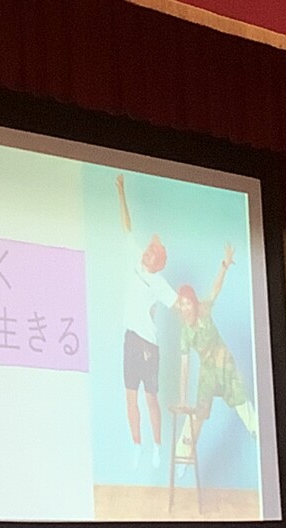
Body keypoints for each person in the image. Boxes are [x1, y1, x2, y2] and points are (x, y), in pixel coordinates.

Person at [175, 243, 257, 469]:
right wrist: (182, 398)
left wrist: (224, 265)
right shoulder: (185, 333)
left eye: (188, 303)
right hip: (208, 372)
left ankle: (258, 433)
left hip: (225, 363)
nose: (186, 308)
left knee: (240, 398)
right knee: (198, 413)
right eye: (182, 304)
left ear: (194, 304)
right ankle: (183, 454)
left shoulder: (204, 309)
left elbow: (215, 288)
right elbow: (185, 366)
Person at [116, 174, 178, 470]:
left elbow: (179, 305)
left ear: (158, 262)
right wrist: (121, 192)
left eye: (152, 253)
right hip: (130, 339)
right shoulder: (135, 261)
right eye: (147, 249)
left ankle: (157, 447)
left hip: (148, 345)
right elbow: (127, 227)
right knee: (130, 397)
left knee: (151, 398)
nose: (146, 253)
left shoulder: (160, 283)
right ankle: (137, 446)